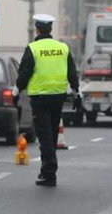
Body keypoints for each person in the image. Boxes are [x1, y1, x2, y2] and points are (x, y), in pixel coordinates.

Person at [14, 14, 80, 187]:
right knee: (52, 133)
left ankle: (49, 173)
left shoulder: (33, 48)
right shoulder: (62, 48)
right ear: (51, 29)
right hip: (58, 96)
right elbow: (72, 72)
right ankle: (48, 171)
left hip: (40, 97)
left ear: (36, 28)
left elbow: (24, 72)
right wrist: (76, 91)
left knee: (45, 136)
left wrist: (16, 90)